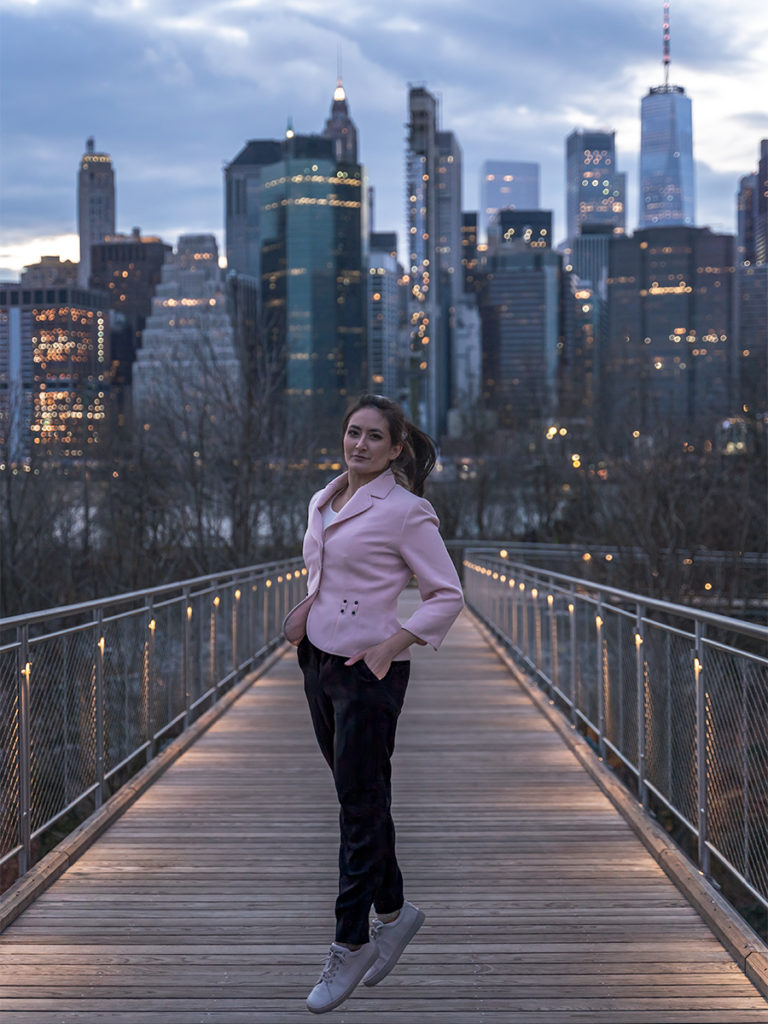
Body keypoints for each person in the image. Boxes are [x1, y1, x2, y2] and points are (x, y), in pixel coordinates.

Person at [283, 393, 464, 1015]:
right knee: (358, 797)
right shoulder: (322, 498)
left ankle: (350, 942)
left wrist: (393, 645)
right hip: (318, 661)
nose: (358, 444)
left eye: (372, 437)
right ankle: (395, 910)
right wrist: (305, 613)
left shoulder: (408, 513)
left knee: (358, 810)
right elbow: (325, 572)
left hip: (368, 672)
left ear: (394, 449)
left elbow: (446, 594)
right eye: (352, 432)